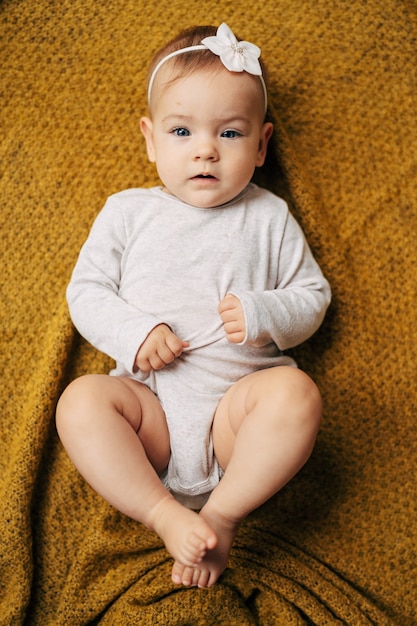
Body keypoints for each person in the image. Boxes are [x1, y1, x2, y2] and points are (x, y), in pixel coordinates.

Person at [56, 22, 331, 589]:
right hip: (149, 414)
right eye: (182, 131)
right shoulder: (129, 212)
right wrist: (135, 332)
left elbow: (312, 297)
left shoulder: (269, 216)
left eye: (230, 135)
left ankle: (220, 516)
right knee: (80, 402)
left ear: (261, 145)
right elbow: (86, 291)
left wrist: (264, 313)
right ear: (151, 139)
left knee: (297, 396)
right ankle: (163, 513)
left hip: (237, 418)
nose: (205, 149)